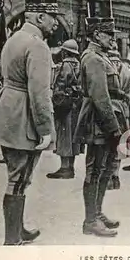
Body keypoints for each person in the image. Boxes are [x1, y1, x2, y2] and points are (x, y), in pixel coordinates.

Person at [0, 0, 61, 245]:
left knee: (16, 176)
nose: (55, 25)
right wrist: (46, 130)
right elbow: (39, 93)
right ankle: (12, 237)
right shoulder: (37, 46)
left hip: (8, 114)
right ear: (40, 17)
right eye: (52, 18)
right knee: (19, 178)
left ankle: (18, 229)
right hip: (24, 118)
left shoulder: (14, 39)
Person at [73, 17, 123, 237]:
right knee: (94, 170)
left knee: (104, 169)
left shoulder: (102, 57)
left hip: (104, 120)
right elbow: (99, 96)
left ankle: (97, 212)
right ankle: (90, 219)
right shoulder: (92, 58)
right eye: (108, 34)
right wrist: (113, 127)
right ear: (96, 35)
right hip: (98, 122)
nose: (113, 38)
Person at [47, 39, 84, 179]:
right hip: (77, 105)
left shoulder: (64, 65)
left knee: (64, 134)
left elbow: (60, 85)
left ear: (64, 51)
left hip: (65, 104)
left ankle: (64, 167)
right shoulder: (79, 65)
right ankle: (71, 167)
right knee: (73, 135)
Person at [107, 43, 130, 190]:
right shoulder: (128, 71)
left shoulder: (106, 67)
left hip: (110, 109)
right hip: (123, 110)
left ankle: (109, 178)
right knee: (120, 145)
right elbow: (129, 95)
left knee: (108, 144)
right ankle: (116, 176)